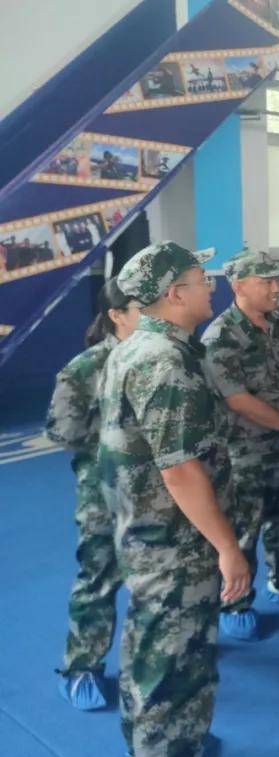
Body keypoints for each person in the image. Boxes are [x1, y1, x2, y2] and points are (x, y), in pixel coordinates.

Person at [98, 242, 250, 757]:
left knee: (152, 646)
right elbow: (180, 470)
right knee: (174, 658)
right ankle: (163, 749)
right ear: (174, 293)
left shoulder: (139, 347)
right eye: (202, 279)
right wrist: (227, 547)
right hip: (175, 540)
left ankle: (166, 741)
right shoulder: (165, 362)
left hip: (149, 530)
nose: (211, 287)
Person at [203, 248, 279, 641]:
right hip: (245, 452)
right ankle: (236, 603)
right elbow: (236, 399)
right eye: (266, 281)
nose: (276, 288)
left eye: (277, 280)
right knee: (243, 530)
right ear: (238, 286)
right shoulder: (220, 336)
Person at [47, 278, 140, 710]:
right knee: (99, 574)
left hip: (160, 491)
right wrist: (116, 438)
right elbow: (63, 432)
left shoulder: (166, 356)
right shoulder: (86, 366)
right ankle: (82, 664)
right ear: (116, 315)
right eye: (142, 308)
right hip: (104, 491)